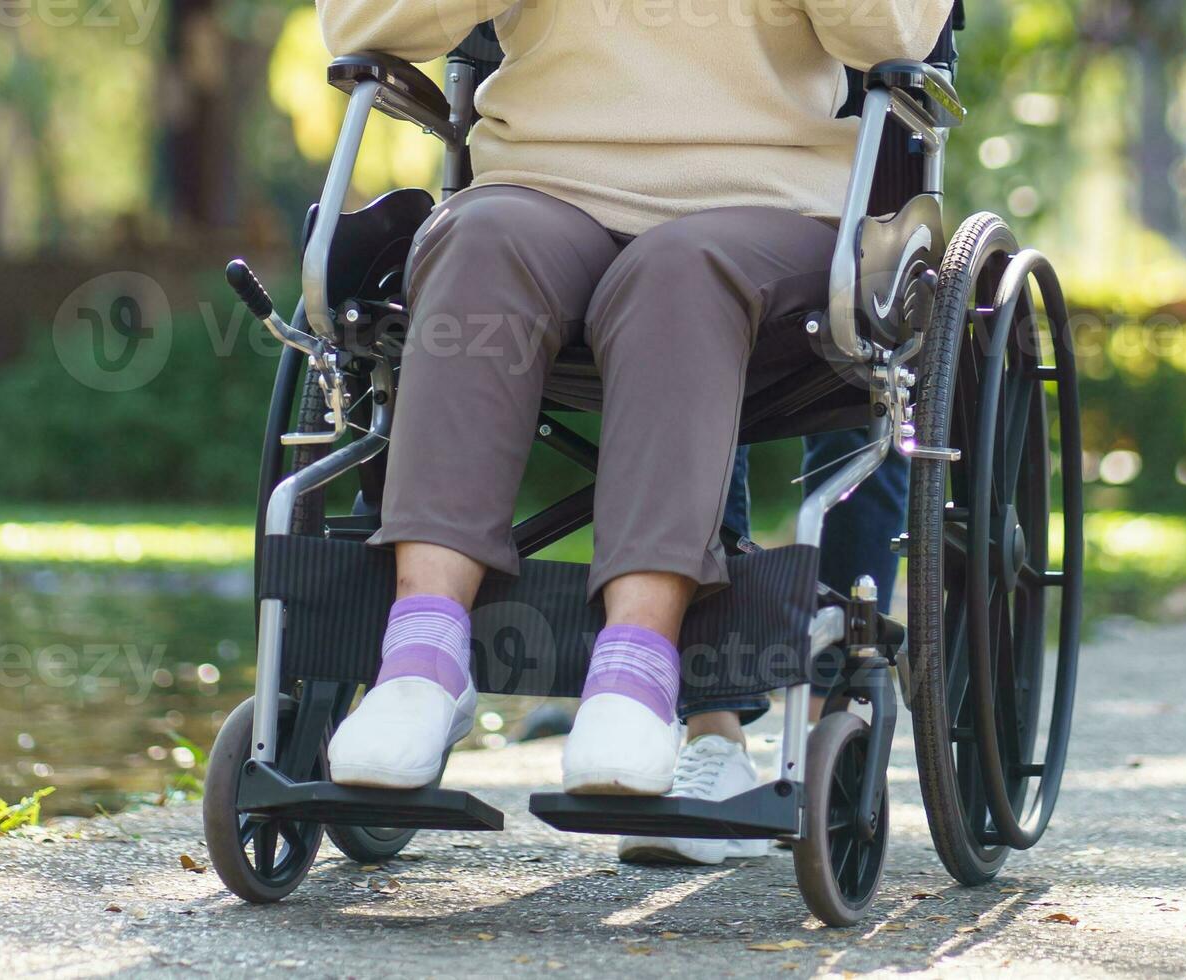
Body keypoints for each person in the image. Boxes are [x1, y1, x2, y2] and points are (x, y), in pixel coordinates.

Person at [316, 0, 954, 863]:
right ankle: (422, 656)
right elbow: (361, 23)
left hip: (761, 200)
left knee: (678, 271)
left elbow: (891, 35)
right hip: (540, 183)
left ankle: (637, 667)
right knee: (477, 243)